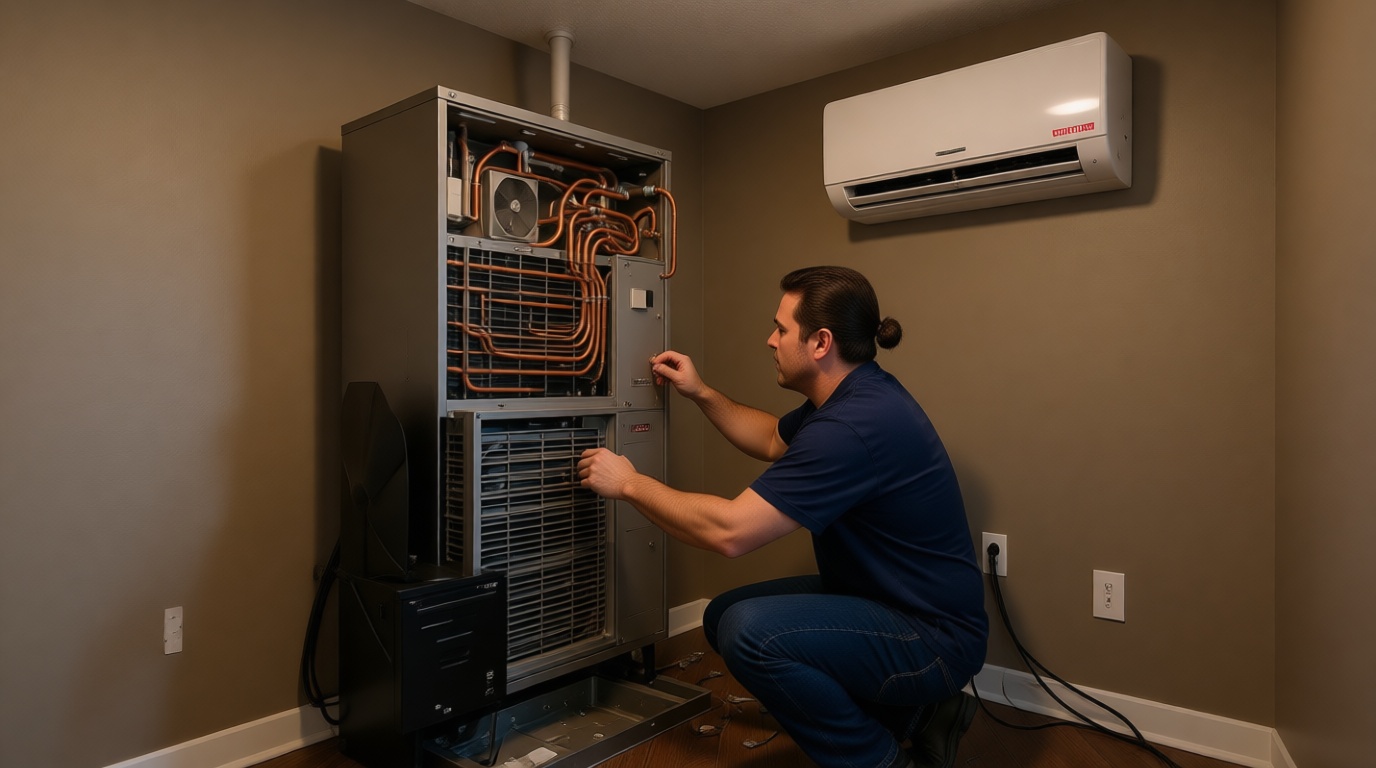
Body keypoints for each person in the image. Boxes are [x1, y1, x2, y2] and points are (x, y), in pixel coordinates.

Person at [577, 265, 987, 768]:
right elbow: (773, 437)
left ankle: (881, 761)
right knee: (721, 614)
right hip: (885, 600)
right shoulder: (853, 393)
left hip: (932, 636)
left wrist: (629, 484)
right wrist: (701, 392)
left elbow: (730, 532)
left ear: (820, 343)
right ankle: (922, 717)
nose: (770, 340)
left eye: (781, 329)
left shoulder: (853, 427)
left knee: (750, 631)